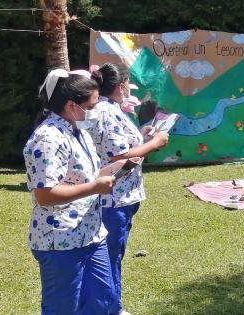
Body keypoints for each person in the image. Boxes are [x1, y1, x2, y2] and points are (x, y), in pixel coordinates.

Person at [24, 69, 122, 314]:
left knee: (102, 301)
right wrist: (95, 187)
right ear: (71, 105)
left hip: (91, 234)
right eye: (91, 105)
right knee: (63, 308)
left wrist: (115, 169)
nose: (96, 111)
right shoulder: (48, 138)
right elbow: (45, 195)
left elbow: (82, 177)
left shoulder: (79, 132)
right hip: (61, 241)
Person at [88, 63, 169, 315]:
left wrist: (143, 136)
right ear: (121, 86)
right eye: (127, 84)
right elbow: (119, 156)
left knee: (112, 256)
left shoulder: (106, 109)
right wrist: (154, 143)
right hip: (114, 199)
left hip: (118, 196)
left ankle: (111, 307)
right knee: (109, 258)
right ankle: (112, 310)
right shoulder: (106, 112)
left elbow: (121, 145)